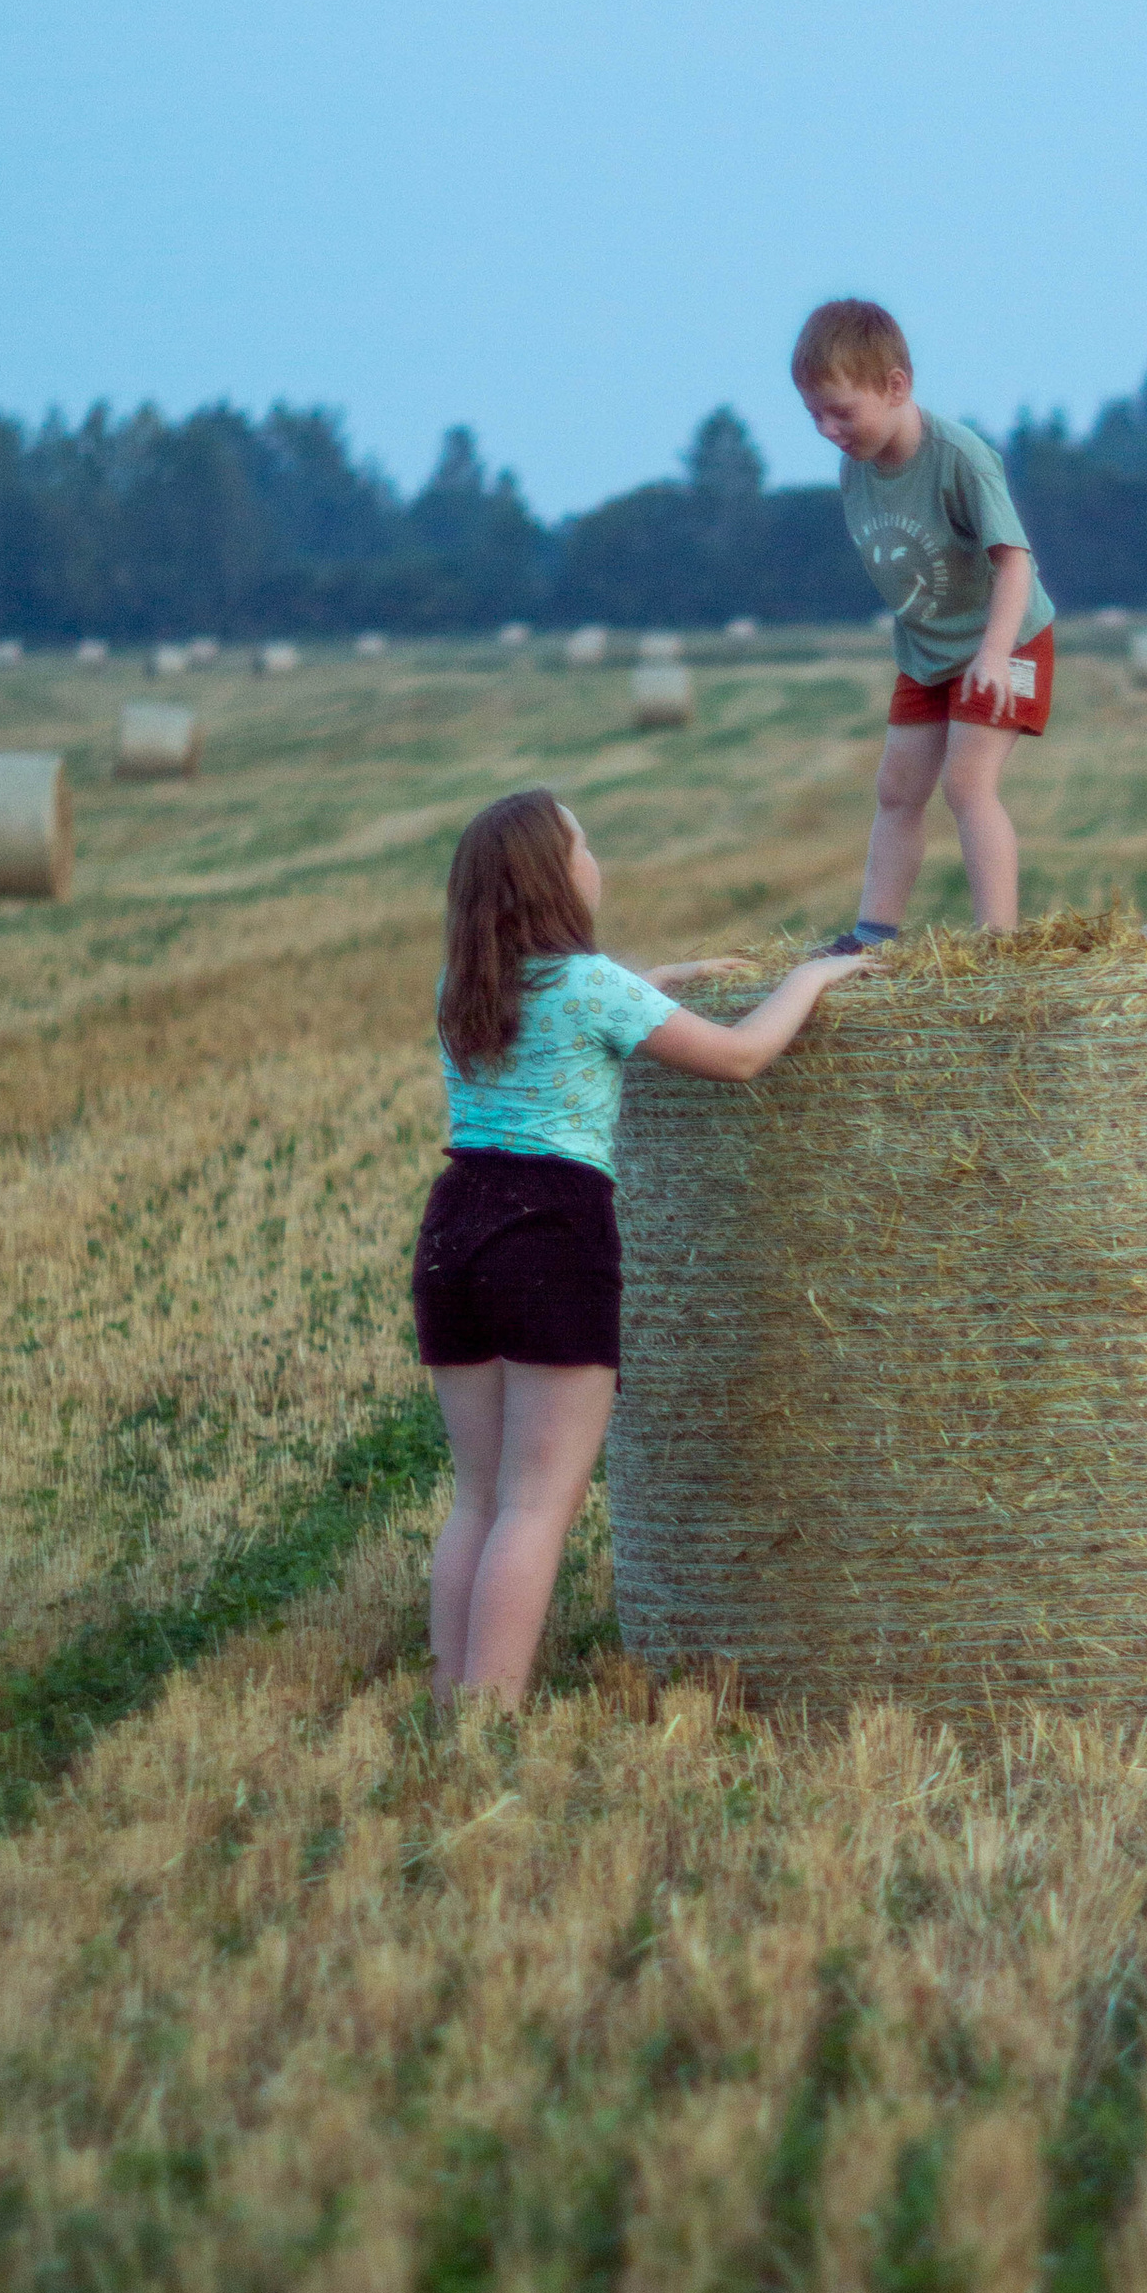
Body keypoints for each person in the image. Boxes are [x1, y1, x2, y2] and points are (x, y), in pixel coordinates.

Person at [411, 787, 867, 1705]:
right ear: (554, 874)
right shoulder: (593, 988)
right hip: (550, 1233)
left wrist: (657, 979)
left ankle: (448, 1700)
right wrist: (807, 980)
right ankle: (489, 1718)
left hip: (454, 1227)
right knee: (538, 1506)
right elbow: (740, 1057)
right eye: (583, 842)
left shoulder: (464, 988)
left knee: (481, 1497)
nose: (595, 857)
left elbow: (577, 1017)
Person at [791, 295, 1057, 948]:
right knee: (896, 789)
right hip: (927, 651)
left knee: (967, 783)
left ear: (896, 386)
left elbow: (1016, 565)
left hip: (1008, 639)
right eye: (813, 414)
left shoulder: (960, 458)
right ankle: (872, 935)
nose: (828, 428)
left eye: (841, 411)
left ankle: (998, 947)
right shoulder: (855, 466)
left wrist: (993, 655)